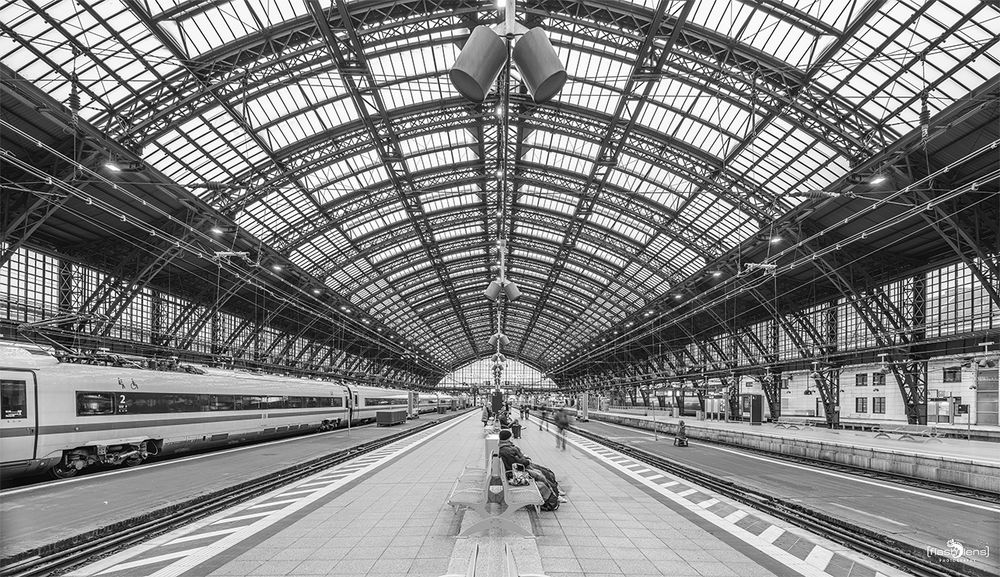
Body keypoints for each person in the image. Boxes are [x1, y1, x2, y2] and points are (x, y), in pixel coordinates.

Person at [496, 430, 566, 509]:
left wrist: (523, 458)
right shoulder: (507, 450)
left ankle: (555, 492)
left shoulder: (505, 447)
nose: (512, 438)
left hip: (517, 470)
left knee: (545, 472)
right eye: (510, 436)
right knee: (541, 475)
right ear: (507, 438)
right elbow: (519, 463)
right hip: (517, 473)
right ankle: (554, 495)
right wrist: (526, 460)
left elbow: (517, 460)